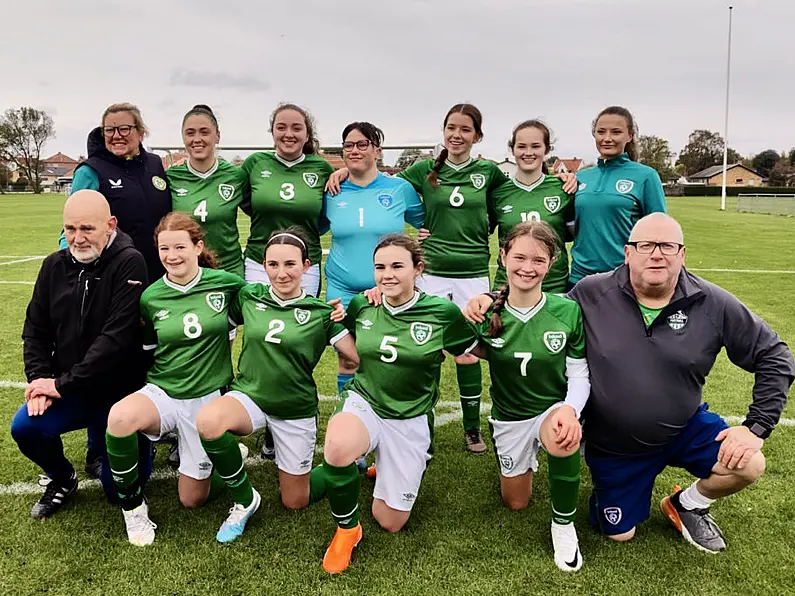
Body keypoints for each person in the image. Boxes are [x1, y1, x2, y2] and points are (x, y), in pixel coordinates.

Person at [463, 213, 795, 553]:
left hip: (684, 427)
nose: (656, 254)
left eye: (667, 246)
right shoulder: (592, 292)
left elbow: (776, 356)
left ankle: (688, 504)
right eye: (645, 245)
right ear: (627, 253)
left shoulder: (712, 302)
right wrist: (492, 298)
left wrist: (755, 427)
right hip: (615, 443)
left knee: (750, 464)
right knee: (618, 533)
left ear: (682, 254)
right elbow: (540, 304)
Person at [313, 233, 478, 574]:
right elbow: (338, 327)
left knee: (389, 521)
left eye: (397, 266)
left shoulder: (442, 312)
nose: (387, 274)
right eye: (380, 267)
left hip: (410, 417)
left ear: (417, 269)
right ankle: (347, 530)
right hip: (367, 401)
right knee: (338, 444)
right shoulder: (364, 304)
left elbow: (470, 351)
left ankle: (387, 463)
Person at [195, 229, 356, 543]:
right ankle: (245, 500)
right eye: (273, 264)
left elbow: (355, 358)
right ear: (263, 265)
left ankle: (338, 467)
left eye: (290, 264)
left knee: (295, 501)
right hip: (250, 395)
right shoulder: (248, 296)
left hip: (294, 406)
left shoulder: (323, 313)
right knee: (209, 422)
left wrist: (354, 314)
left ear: (307, 266)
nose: (281, 273)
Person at [104, 212, 246, 546]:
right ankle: (133, 508)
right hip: (164, 391)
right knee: (120, 417)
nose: (172, 256)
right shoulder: (151, 297)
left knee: (191, 500)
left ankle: (224, 454)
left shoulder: (226, 284)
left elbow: (267, 305)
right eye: (164, 248)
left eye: (180, 247)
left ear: (198, 247)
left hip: (207, 400)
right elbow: (150, 348)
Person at [11, 190, 152, 518]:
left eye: (87, 228)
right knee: (26, 427)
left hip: (120, 396)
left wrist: (60, 385)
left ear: (110, 225)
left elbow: (113, 342)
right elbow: (35, 330)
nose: (77, 238)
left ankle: (130, 444)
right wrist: (40, 379)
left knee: (118, 493)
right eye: (70, 229)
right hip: (72, 391)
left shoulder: (130, 262)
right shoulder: (53, 266)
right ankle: (62, 478)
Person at [59, 103, 172, 477]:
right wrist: (73, 272)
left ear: (141, 131)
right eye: (109, 130)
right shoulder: (91, 171)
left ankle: (155, 430)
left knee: (152, 357)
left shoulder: (156, 166)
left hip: (157, 282)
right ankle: (98, 445)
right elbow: (73, 227)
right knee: (105, 358)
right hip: (108, 284)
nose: (117, 136)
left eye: (124, 128)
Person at [470, 221, 589, 571]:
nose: (527, 267)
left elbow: (579, 373)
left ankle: (563, 526)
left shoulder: (567, 311)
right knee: (516, 502)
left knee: (563, 436)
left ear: (551, 264)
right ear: (503, 256)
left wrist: (569, 409)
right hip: (510, 416)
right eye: (519, 257)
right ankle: (526, 456)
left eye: (538, 260)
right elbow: (462, 346)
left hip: (550, 408)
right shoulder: (485, 312)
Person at [321, 121, 424, 398]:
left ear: (377, 150)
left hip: (389, 290)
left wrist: (424, 238)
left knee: (387, 358)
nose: (354, 150)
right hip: (342, 289)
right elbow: (315, 228)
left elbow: (427, 222)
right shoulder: (332, 191)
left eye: (362, 144)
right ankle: (348, 415)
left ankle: (388, 417)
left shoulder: (399, 189)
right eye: (348, 145)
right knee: (349, 358)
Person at [569, 106, 666, 287]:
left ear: (629, 136)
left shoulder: (646, 176)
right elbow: (568, 226)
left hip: (624, 279)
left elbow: (659, 231)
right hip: (579, 279)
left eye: (616, 132)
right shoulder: (581, 177)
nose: (607, 138)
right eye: (601, 132)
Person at [241, 103, 333, 294]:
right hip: (260, 261)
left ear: (307, 135)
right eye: (281, 127)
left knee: (302, 321)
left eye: (297, 128)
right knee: (259, 320)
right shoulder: (254, 163)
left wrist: (345, 172)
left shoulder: (322, 169)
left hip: (304, 263)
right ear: (272, 132)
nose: (288, 134)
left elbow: (328, 214)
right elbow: (236, 195)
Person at [489, 120, 574, 293]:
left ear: (547, 149)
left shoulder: (564, 188)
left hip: (554, 287)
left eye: (535, 146)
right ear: (512, 149)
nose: (528, 153)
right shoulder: (497, 194)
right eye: (521, 146)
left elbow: (574, 235)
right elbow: (477, 232)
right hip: (507, 287)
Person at [166, 104, 248, 278]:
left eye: (204, 132)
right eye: (190, 133)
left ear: (217, 136)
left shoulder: (236, 176)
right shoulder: (170, 177)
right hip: (186, 272)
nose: (197, 139)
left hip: (229, 271)